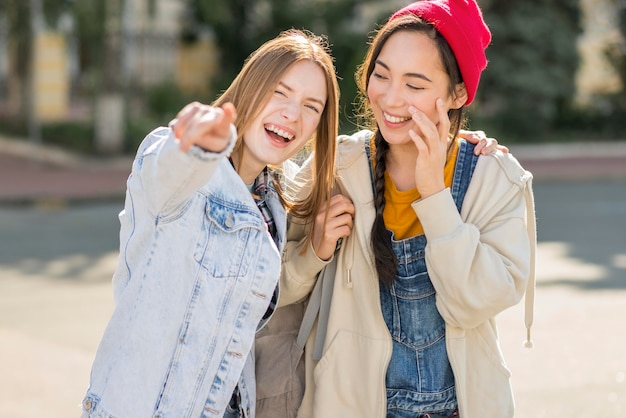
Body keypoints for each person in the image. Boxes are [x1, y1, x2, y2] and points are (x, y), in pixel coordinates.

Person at [277, 1, 537, 417]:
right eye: (381, 74)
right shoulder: (337, 166)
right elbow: (271, 288)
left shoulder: (492, 179)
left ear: (457, 94)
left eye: (414, 85)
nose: (391, 98)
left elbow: (476, 302)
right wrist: (316, 250)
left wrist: (435, 193)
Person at [80, 29, 341, 418]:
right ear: (251, 86)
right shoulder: (186, 172)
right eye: (280, 92)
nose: (292, 114)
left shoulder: (271, 201)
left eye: (311, 106)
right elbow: (165, 171)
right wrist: (198, 147)